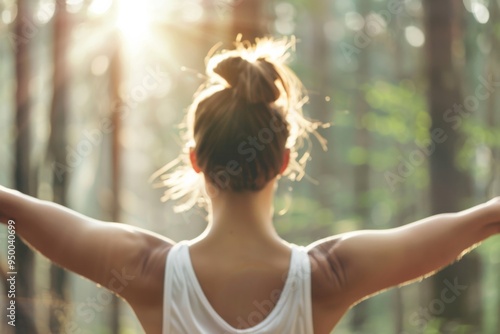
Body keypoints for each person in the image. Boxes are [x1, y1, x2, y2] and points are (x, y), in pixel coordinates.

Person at [0, 37, 499, 334]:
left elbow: (16, 208)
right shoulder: (328, 277)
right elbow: (475, 221)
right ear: (285, 161)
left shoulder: (147, 271)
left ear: (195, 161)